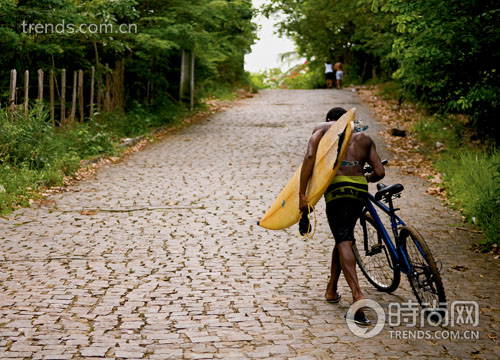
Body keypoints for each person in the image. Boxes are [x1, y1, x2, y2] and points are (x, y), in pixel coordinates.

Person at [298, 107, 385, 324]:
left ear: (329, 120)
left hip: (337, 192)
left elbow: (310, 156)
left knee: (344, 239)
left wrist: (302, 193)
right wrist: (366, 175)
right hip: (359, 191)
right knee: (342, 236)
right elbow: (380, 173)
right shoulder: (364, 137)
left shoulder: (322, 129)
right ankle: (331, 289)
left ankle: (357, 295)